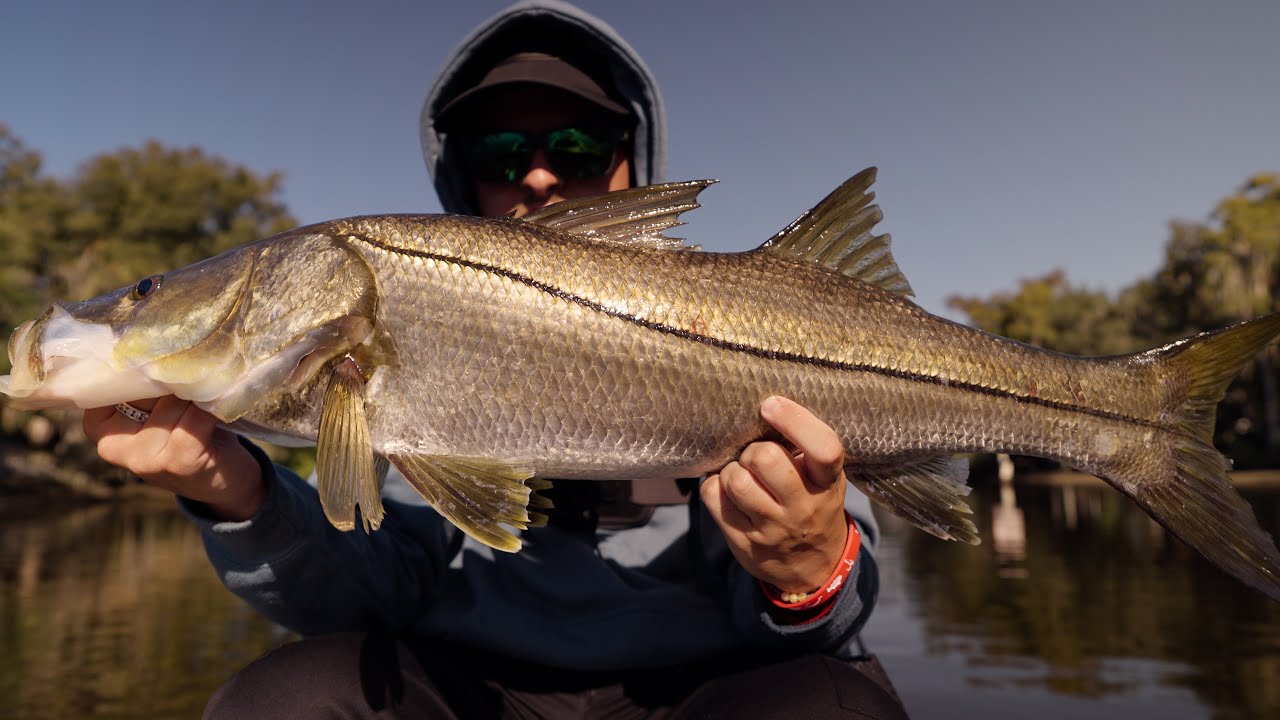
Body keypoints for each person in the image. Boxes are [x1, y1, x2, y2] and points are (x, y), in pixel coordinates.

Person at [83, 2, 909, 718]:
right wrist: (235, 491)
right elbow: (370, 593)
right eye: (500, 151)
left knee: (832, 704)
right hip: (468, 688)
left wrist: (806, 573)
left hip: (709, 686)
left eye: (581, 145)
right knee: (285, 700)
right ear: (459, 178)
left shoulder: (752, 315)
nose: (541, 174)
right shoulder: (406, 320)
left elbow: (834, 619)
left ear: (633, 157)